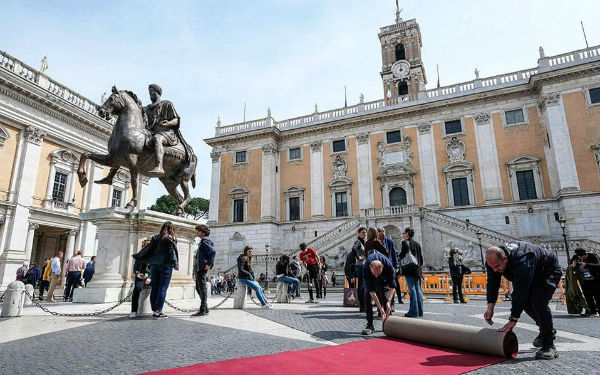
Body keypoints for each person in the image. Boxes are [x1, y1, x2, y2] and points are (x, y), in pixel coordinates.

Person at [484, 242, 562, 360]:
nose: (495, 270)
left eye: (497, 266)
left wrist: (513, 319)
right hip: (529, 272)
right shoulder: (493, 262)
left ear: (505, 258)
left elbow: (521, 291)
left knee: (538, 302)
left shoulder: (522, 259)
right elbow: (492, 283)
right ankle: (546, 329)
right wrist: (490, 308)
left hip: (547, 271)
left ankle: (549, 344)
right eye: (492, 267)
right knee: (526, 303)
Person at [133, 221, 179, 318]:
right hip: (166, 266)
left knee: (155, 288)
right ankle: (158, 311)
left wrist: (138, 255)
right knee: (162, 289)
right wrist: (175, 264)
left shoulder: (155, 237)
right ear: (172, 229)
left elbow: (148, 249)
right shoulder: (171, 238)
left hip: (154, 265)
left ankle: (154, 309)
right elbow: (172, 252)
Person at [361, 253, 397, 335]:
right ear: (370, 268)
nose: (376, 275)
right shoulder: (366, 268)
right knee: (367, 297)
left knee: (384, 294)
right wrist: (380, 308)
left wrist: (388, 302)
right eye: (375, 273)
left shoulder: (389, 267)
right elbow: (371, 292)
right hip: (370, 278)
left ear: (382, 268)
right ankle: (370, 324)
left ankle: (388, 321)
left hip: (383, 276)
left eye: (378, 273)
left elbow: (393, 286)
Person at [191, 224, 216, 317]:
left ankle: (203, 309)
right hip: (201, 267)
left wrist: (208, 264)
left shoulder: (205, 241)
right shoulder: (205, 241)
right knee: (198, 287)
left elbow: (212, 252)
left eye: (198, 231)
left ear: (203, 232)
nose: (197, 232)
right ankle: (205, 307)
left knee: (202, 287)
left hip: (202, 267)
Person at [399, 227, 424, 318]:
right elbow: (420, 258)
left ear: (407, 234)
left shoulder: (405, 243)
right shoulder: (417, 244)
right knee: (418, 289)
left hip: (409, 269)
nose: (403, 235)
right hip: (417, 269)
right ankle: (420, 311)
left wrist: (398, 257)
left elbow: (402, 255)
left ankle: (414, 311)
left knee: (412, 289)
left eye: (404, 233)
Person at [570, 248, 600, 316]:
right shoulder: (575, 257)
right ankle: (593, 311)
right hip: (584, 280)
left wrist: (586, 264)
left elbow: (598, 265)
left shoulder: (593, 256)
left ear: (585, 254)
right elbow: (571, 265)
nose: (580, 258)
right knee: (587, 295)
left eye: (581, 256)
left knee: (597, 295)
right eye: (579, 256)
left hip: (595, 279)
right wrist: (573, 265)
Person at [377, 228, 402, 306]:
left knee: (391, 286)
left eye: (383, 235)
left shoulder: (390, 242)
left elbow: (394, 254)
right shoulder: (375, 242)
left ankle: (392, 304)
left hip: (389, 266)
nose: (382, 237)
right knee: (380, 287)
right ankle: (381, 305)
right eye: (380, 236)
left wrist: (395, 266)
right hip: (379, 267)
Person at [130, 240, 152, 319]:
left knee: (157, 289)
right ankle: (133, 311)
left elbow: (154, 269)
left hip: (149, 277)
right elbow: (135, 267)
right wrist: (137, 274)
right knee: (137, 289)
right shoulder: (138, 256)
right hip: (141, 276)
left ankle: (156, 309)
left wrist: (149, 277)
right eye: (144, 246)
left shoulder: (152, 257)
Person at [351, 227, 367, 311]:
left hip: (365, 265)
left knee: (364, 285)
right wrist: (358, 257)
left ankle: (364, 303)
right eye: (362, 232)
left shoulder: (363, 242)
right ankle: (362, 305)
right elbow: (353, 249)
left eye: (365, 232)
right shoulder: (358, 241)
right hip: (361, 265)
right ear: (358, 233)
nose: (364, 234)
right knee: (361, 285)